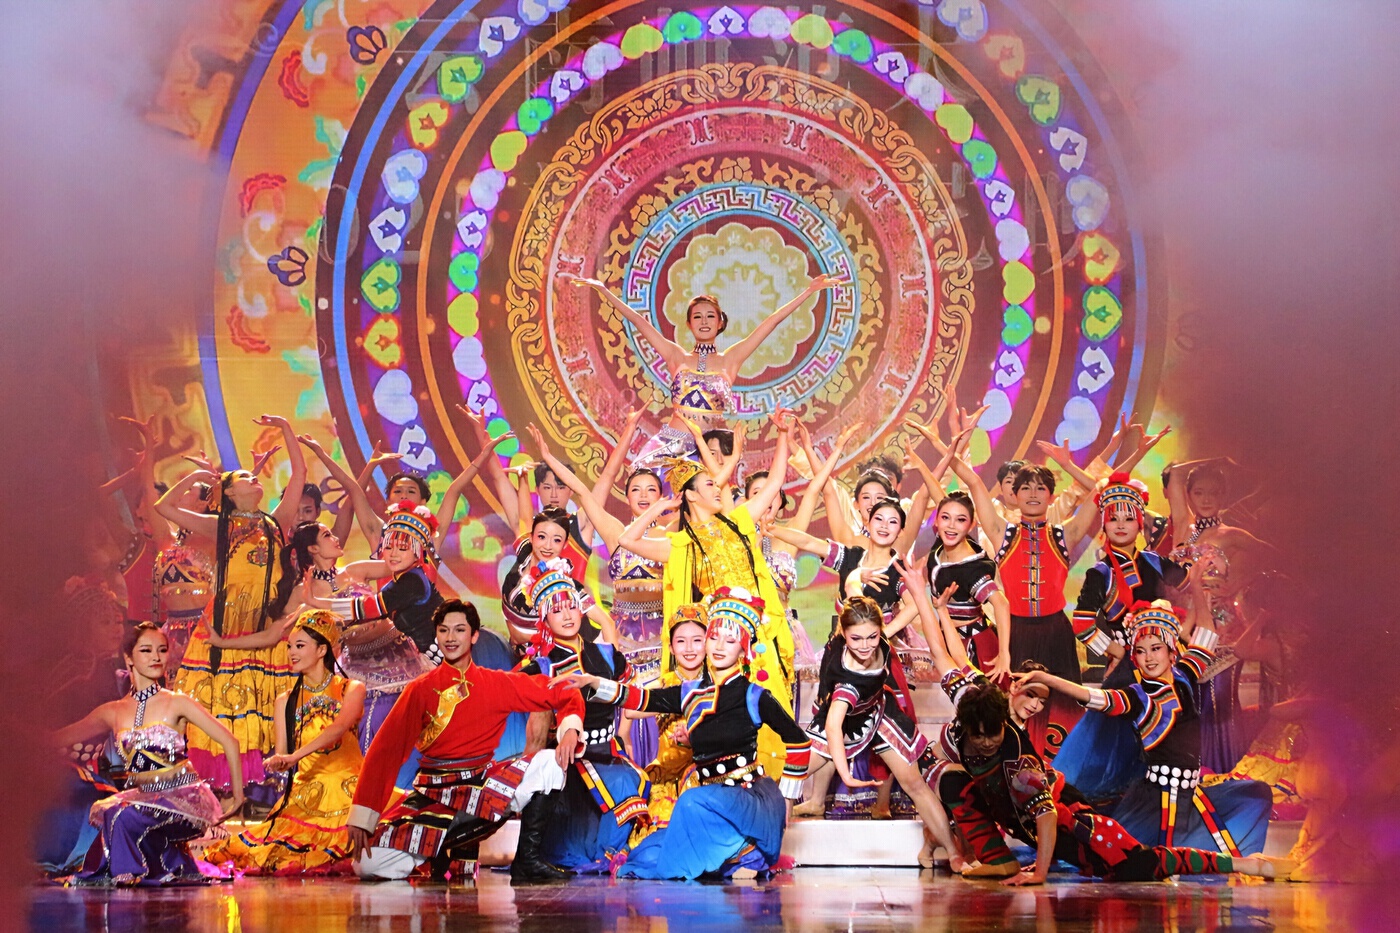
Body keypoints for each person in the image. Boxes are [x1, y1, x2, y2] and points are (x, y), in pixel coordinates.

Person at [552, 588, 813, 880]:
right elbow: (641, 699)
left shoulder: (754, 696)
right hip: (707, 796)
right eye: (714, 637)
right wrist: (595, 682)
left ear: (744, 649)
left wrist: (788, 799)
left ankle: (742, 849)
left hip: (742, 799)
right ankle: (721, 858)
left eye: (730, 640)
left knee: (690, 803)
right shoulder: (691, 692)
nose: (719, 646)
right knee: (643, 856)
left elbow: (799, 741)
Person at [347, 600, 587, 884]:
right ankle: (438, 849)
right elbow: (385, 751)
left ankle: (527, 861)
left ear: (474, 636)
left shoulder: (496, 683)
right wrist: (363, 816)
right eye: (444, 630)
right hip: (433, 796)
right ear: (437, 635)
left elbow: (564, 690)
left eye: (459, 630)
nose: (451, 638)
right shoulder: (420, 690)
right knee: (365, 864)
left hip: (482, 786)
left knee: (549, 762)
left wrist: (570, 729)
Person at [1014, 600, 1273, 858]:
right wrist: (1046, 679)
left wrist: (1195, 584)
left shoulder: (1183, 676)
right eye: (1140, 651)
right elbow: (1093, 697)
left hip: (1189, 797)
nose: (1148, 657)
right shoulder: (1139, 697)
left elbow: (1206, 633)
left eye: (1155, 648)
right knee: (1114, 857)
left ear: (1171, 652)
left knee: (1256, 796)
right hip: (1153, 806)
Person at [616, 412, 796, 776]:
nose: (719, 488)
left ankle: (775, 791)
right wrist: (659, 508)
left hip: (758, 637)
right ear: (691, 495)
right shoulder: (681, 545)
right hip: (723, 646)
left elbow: (776, 481)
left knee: (774, 713)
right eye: (711, 485)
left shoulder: (739, 521)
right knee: (731, 721)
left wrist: (782, 435)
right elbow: (627, 540)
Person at [561, 271, 843, 475]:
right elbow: (638, 321)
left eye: (710, 316)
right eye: (697, 316)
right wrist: (603, 291)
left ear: (720, 322)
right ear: (689, 324)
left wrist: (809, 292)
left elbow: (771, 323)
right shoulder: (677, 356)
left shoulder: (730, 359)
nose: (704, 321)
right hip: (671, 444)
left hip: (710, 450)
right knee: (646, 492)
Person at [161, 415, 305, 792]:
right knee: (230, 703)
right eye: (244, 478)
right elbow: (164, 507)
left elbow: (299, 476)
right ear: (228, 493)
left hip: (265, 625)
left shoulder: (276, 522)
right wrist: (197, 478)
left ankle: (266, 782)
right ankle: (229, 785)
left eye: (253, 476)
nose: (254, 479)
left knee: (265, 702)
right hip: (226, 624)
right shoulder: (220, 527)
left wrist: (286, 428)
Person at [55, 624, 242, 885]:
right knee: (113, 812)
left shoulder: (177, 702)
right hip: (144, 798)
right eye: (146, 650)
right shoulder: (112, 711)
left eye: (162, 650)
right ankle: (162, 866)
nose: (156, 657)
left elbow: (230, 741)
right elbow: (59, 738)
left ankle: (128, 874)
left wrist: (238, 797)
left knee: (121, 815)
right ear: (128, 658)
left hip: (184, 799)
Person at [793, 596, 967, 868]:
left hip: (878, 710)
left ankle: (955, 854)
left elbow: (908, 610)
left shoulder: (879, 637)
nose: (865, 646)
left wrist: (920, 593)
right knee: (789, 774)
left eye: (872, 637)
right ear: (843, 633)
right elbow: (834, 727)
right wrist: (846, 775)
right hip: (844, 721)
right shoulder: (846, 683)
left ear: (880, 630)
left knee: (915, 784)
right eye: (856, 639)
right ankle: (763, 847)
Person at [944, 454, 1098, 757]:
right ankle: (1014, 764)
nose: (1033, 494)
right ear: (1014, 495)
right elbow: (974, 482)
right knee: (1013, 706)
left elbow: (1098, 491)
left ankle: (1057, 771)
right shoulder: (1002, 533)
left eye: (1041, 488)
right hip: (1016, 633)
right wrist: (947, 449)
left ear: (1051, 496)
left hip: (1056, 633)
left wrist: (1067, 465)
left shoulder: (1065, 534)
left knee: (1061, 708)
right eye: (1026, 487)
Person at [203, 610, 366, 874]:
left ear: (322, 650)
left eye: (299, 646)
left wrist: (294, 757)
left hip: (350, 789)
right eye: (290, 646)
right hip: (306, 794)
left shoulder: (352, 688)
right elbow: (283, 754)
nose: (291, 653)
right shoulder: (285, 701)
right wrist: (279, 761)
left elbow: (338, 729)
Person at [1056, 474, 1188, 799]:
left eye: (1129, 518)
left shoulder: (1157, 563)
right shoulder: (1100, 573)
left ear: (1141, 523)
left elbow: (1191, 589)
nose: (1120, 524)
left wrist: (1182, 633)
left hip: (1165, 662)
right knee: (1118, 745)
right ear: (1103, 523)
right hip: (1129, 668)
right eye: (1113, 518)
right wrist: (1117, 651)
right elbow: (1082, 622)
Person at [513, 562, 650, 873]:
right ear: (544, 618)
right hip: (571, 760)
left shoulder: (606, 655)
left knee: (632, 786)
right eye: (556, 609)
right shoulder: (542, 666)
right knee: (615, 792)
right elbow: (534, 727)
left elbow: (632, 698)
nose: (566, 615)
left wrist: (628, 731)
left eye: (571, 606)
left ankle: (611, 853)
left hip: (610, 753)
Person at [305, 501, 446, 663]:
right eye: (388, 547)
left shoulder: (412, 582)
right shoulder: (402, 579)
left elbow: (365, 608)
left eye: (402, 548)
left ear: (417, 553)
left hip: (440, 657)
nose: (393, 554)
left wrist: (315, 601)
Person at [628, 604, 709, 834]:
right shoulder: (663, 684)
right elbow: (631, 710)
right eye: (681, 641)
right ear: (671, 647)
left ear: (708, 643)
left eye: (697, 640)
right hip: (666, 777)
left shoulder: (717, 684)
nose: (689, 648)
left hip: (706, 772)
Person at [924, 491, 1011, 680]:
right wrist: (927, 473)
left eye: (961, 520)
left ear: (971, 525)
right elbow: (945, 502)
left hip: (974, 648)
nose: (951, 525)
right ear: (937, 519)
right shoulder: (942, 542)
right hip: (946, 642)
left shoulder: (972, 569)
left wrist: (1004, 654)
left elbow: (1002, 604)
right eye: (945, 517)